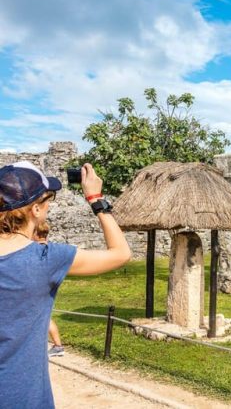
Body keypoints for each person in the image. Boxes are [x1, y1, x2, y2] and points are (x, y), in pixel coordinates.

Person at [0, 161, 131, 409]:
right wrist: (96, 199)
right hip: (22, 397)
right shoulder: (46, 259)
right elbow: (120, 253)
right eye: (48, 200)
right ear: (36, 210)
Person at [32, 221, 65, 357]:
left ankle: (58, 346)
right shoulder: (52, 249)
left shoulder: (34, 250)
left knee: (45, 318)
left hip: (35, 287)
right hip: (48, 286)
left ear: (35, 233)